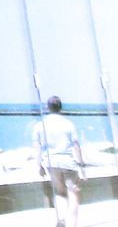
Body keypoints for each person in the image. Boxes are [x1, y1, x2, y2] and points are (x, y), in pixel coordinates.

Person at [32, 96, 84, 227]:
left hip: (51, 163)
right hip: (68, 162)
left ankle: (61, 218)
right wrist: (81, 164)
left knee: (60, 192)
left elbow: (37, 147)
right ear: (61, 107)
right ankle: (71, 224)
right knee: (73, 194)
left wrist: (39, 165)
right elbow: (76, 145)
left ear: (48, 107)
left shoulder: (39, 125)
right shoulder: (68, 124)